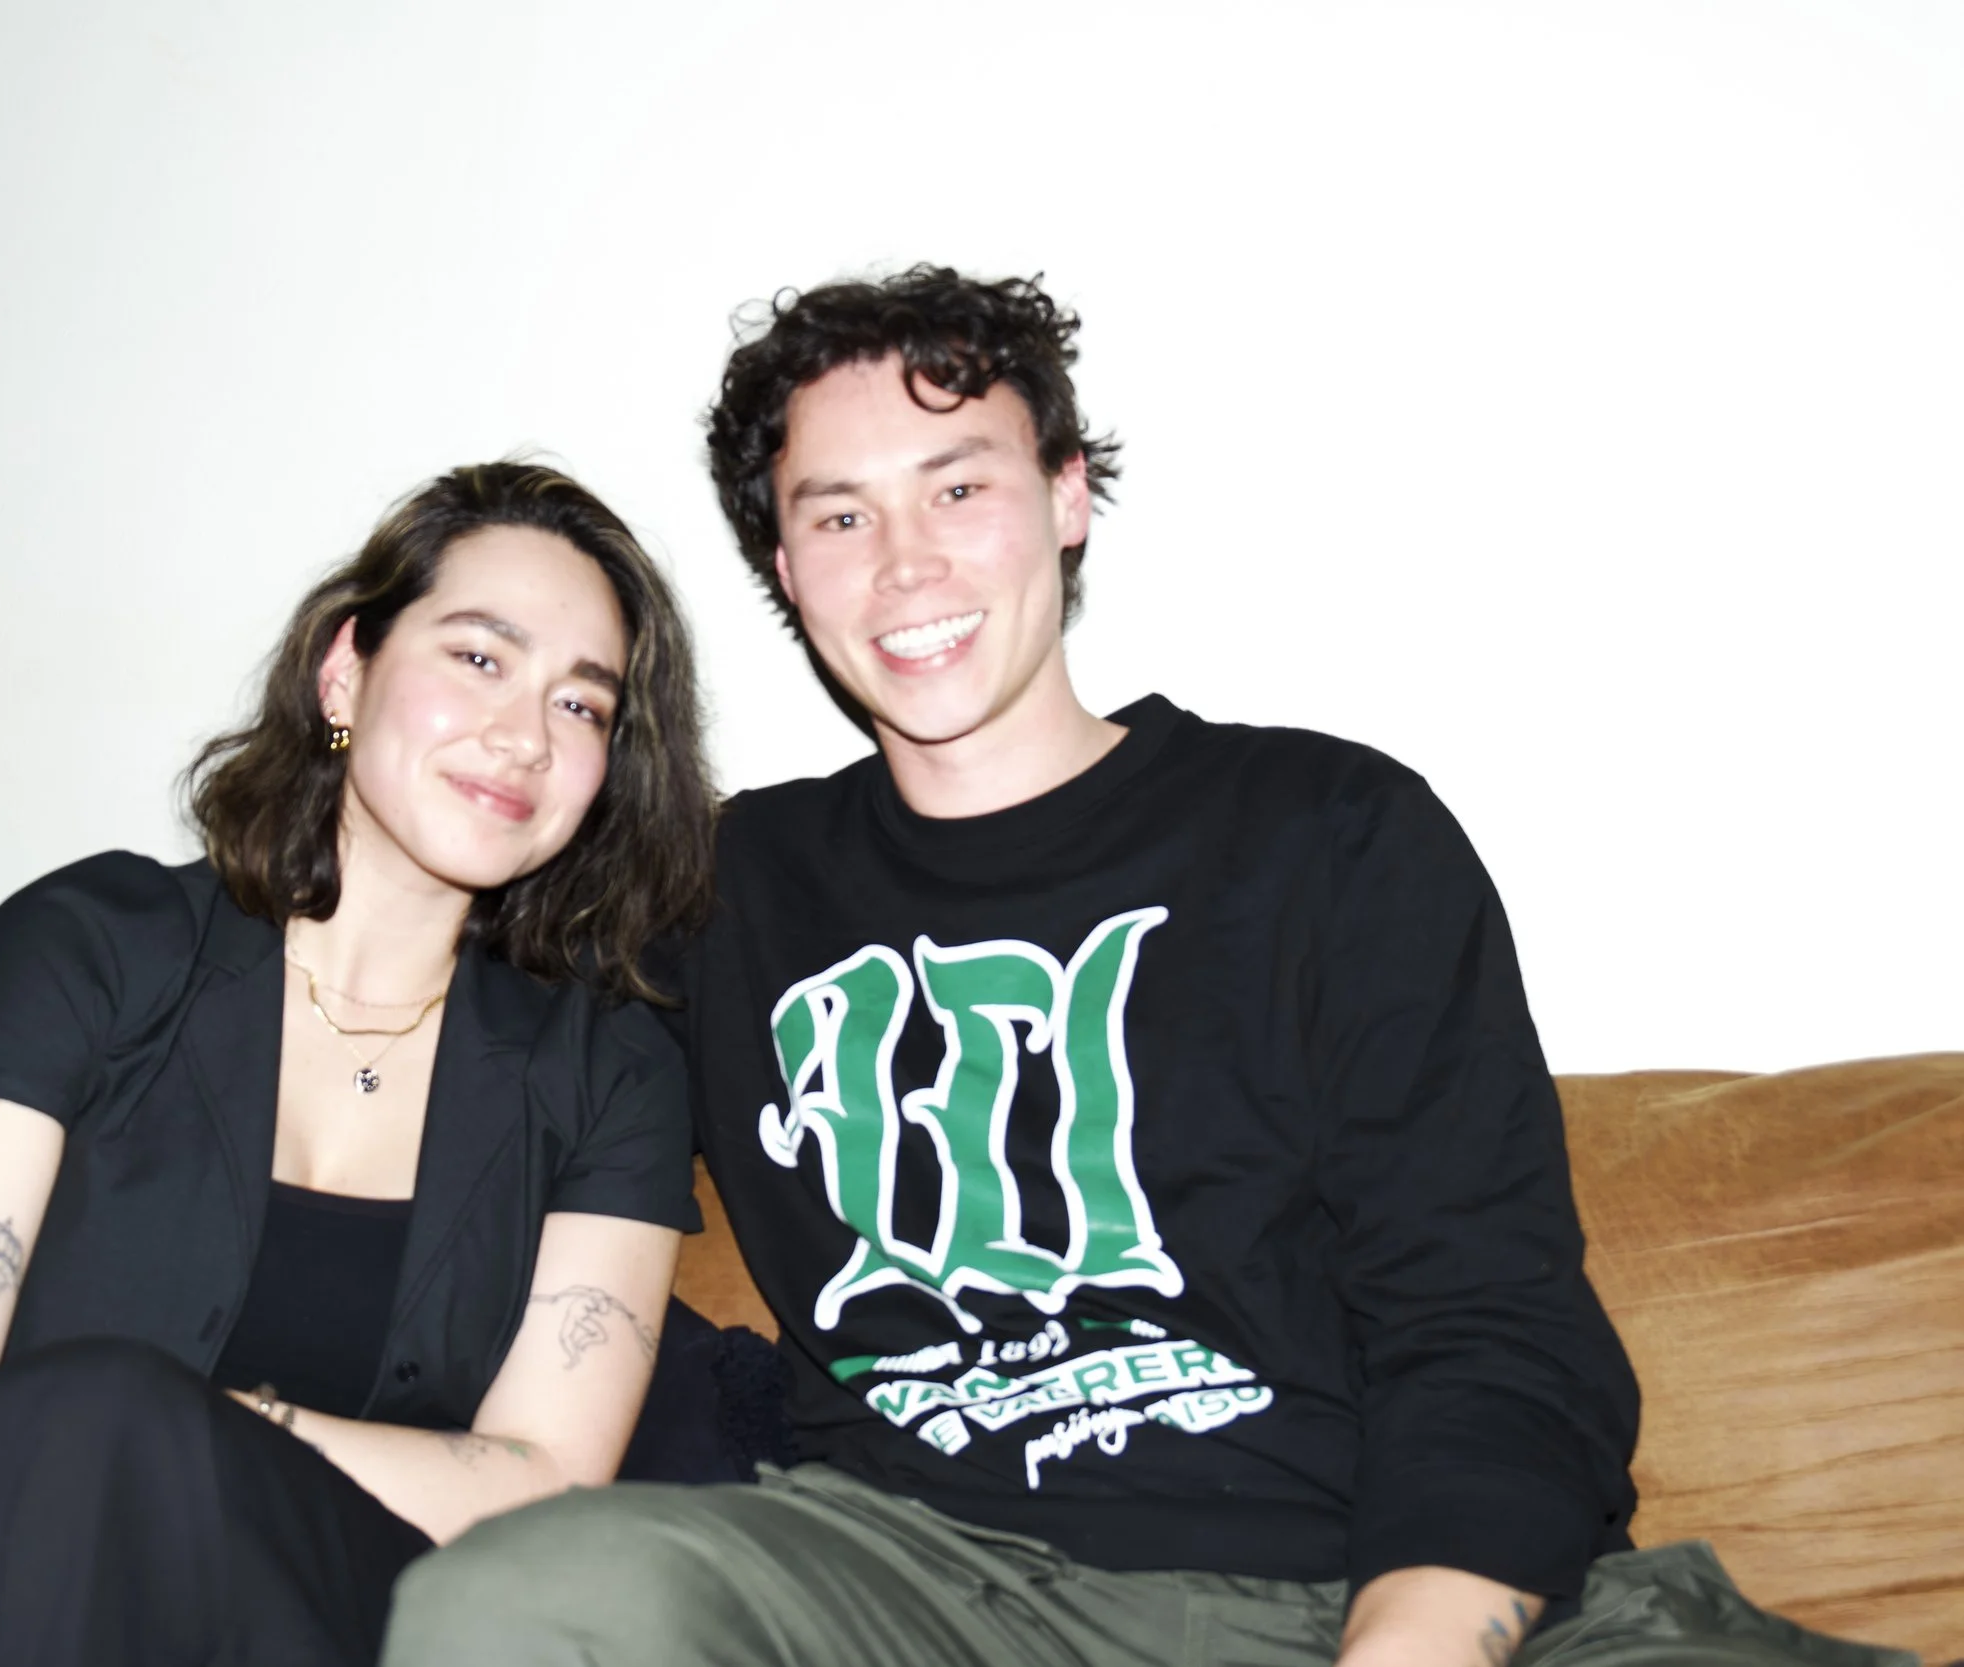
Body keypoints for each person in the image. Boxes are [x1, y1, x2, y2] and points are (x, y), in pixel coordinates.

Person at [380, 273, 1920, 1667]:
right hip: (934, 1586)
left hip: (1366, 1580)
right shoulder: (721, 888)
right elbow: (402, 983)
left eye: (961, 485)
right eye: (841, 515)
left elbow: (1493, 1332)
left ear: (1068, 496)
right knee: (522, 1597)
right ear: (785, 566)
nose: (907, 565)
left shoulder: (1327, 834)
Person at [0, 461, 717, 1667]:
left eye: (582, 705)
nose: (523, 735)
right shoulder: (88, 946)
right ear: (346, 670)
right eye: (479, 657)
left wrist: (195, 1432)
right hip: (0, 1583)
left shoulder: (613, 1065)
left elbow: (547, 1477)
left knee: (96, 1418)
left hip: (351, 1616)